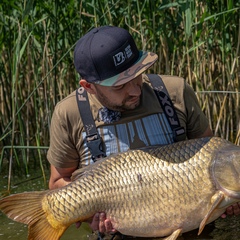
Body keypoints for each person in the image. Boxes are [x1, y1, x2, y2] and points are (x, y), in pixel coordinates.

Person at [47, 26, 240, 239]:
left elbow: (210, 158)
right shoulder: (69, 113)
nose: (136, 90)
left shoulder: (175, 92)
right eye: (120, 86)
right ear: (89, 87)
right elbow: (57, 183)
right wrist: (86, 213)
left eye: (138, 75)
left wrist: (230, 200)